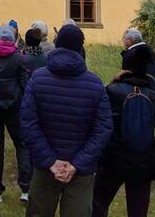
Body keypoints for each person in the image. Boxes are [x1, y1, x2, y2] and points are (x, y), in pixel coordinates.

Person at [20, 24, 112, 217]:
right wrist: (77, 163)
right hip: (80, 168)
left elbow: (28, 123)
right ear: (80, 48)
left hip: (46, 166)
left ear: (57, 43)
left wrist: (50, 160)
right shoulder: (95, 84)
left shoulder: (38, 78)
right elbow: (103, 129)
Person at [93, 46, 155, 217]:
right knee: (138, 211)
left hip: (113, 158)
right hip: (144, 161)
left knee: (98, 203)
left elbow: (102, 123)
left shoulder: (112, 91)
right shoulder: (152, 95)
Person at [0, 25, 32, 203]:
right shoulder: (19, 59)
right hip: (14, 107)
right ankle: (25, 188)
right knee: (22, 145)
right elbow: (25, 85)